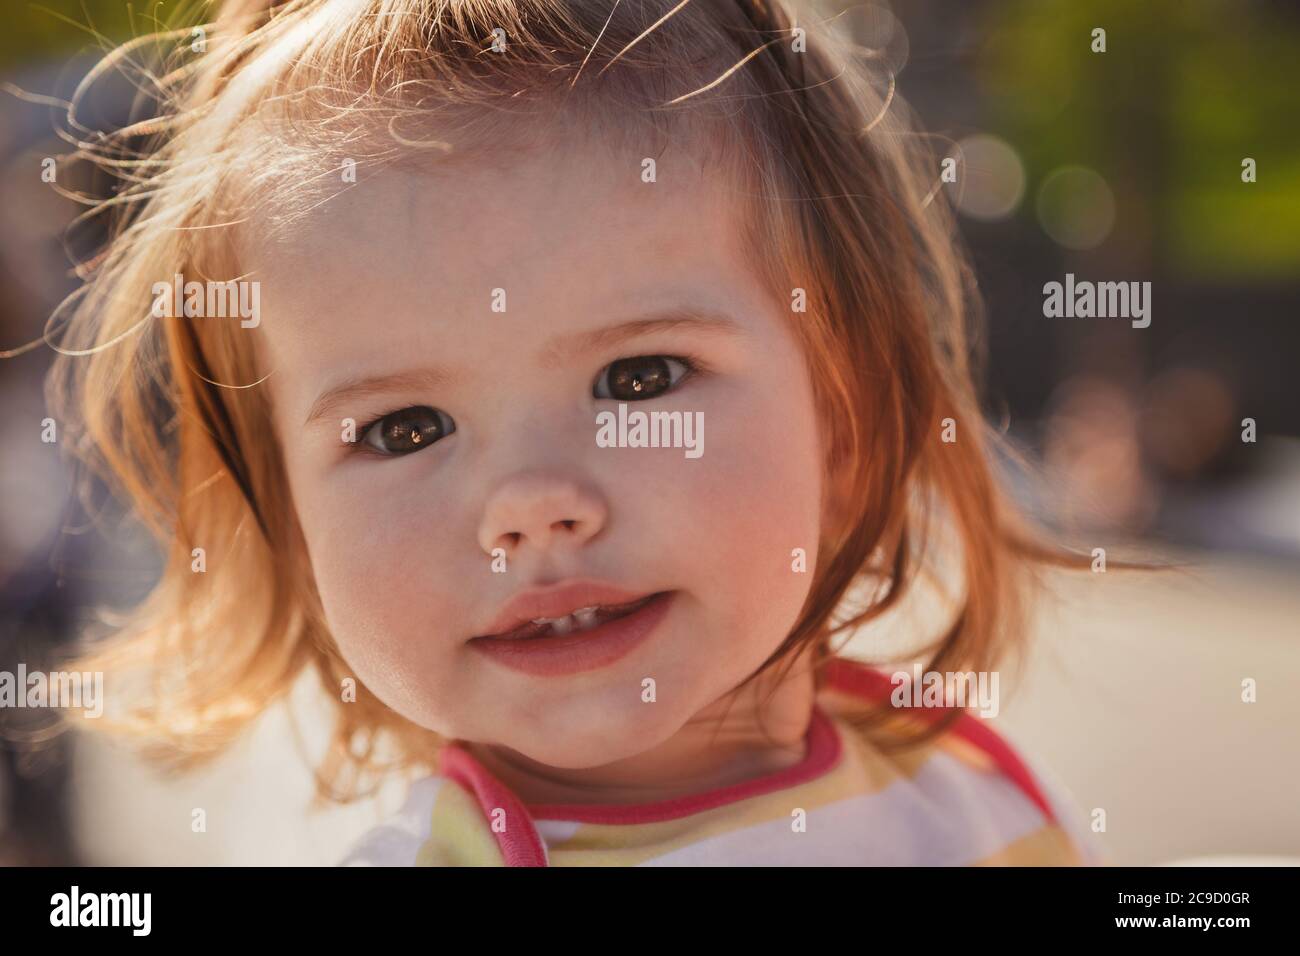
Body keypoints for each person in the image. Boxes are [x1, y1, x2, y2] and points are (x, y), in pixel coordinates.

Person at [36, 0, 1102, 866]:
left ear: (845, 411)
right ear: (292, 524)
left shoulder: (969, 801)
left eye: (636, 377)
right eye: (404, 427)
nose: (529, 500)